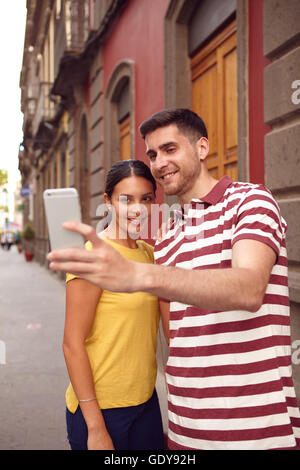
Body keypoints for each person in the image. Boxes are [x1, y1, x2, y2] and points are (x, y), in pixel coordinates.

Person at [47, 108, 300, 450]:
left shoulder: (250, 201)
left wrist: (138, 273)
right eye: (152, 154)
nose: (159, 162)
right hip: (184, 427)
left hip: (253, 425)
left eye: (170, 149)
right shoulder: (166, 234)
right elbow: (174, 335)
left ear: (201, 148)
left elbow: (249, 288)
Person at [62, 159, 165, 450]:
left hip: (146, 402)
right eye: (126, 199)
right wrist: (95, 427)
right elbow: (72, 343)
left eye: (146, 198)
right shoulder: (93, 257)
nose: (137, 208)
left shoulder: (150, 254)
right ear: (108, 202)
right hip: (100, 408)